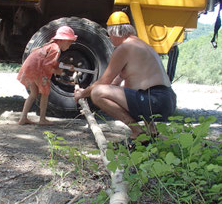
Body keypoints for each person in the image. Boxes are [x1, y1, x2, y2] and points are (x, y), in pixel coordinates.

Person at [74, 11, 176, 143]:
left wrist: (82, 94)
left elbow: (104, 83)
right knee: (132, 87)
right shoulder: (142, 45)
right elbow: (117, 82)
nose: (110, 39)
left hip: (154, 101)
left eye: (109, 35)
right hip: (167, 100)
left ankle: (137, 132)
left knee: (97, 93)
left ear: (114, 32)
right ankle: (152, 131)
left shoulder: (124, 48)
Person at [17, 25, 77, 125]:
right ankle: (42, 119)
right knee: (45, 94)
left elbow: (51, 62)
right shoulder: (56, 49)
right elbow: (47, 66)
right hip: (38, 71)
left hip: (30, 69)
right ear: (62, 40)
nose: (70, 45)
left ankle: (23, 118)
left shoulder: (50, 46)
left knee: (34, 94)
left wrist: (66, 66)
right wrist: (60, 72)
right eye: (69, 42)